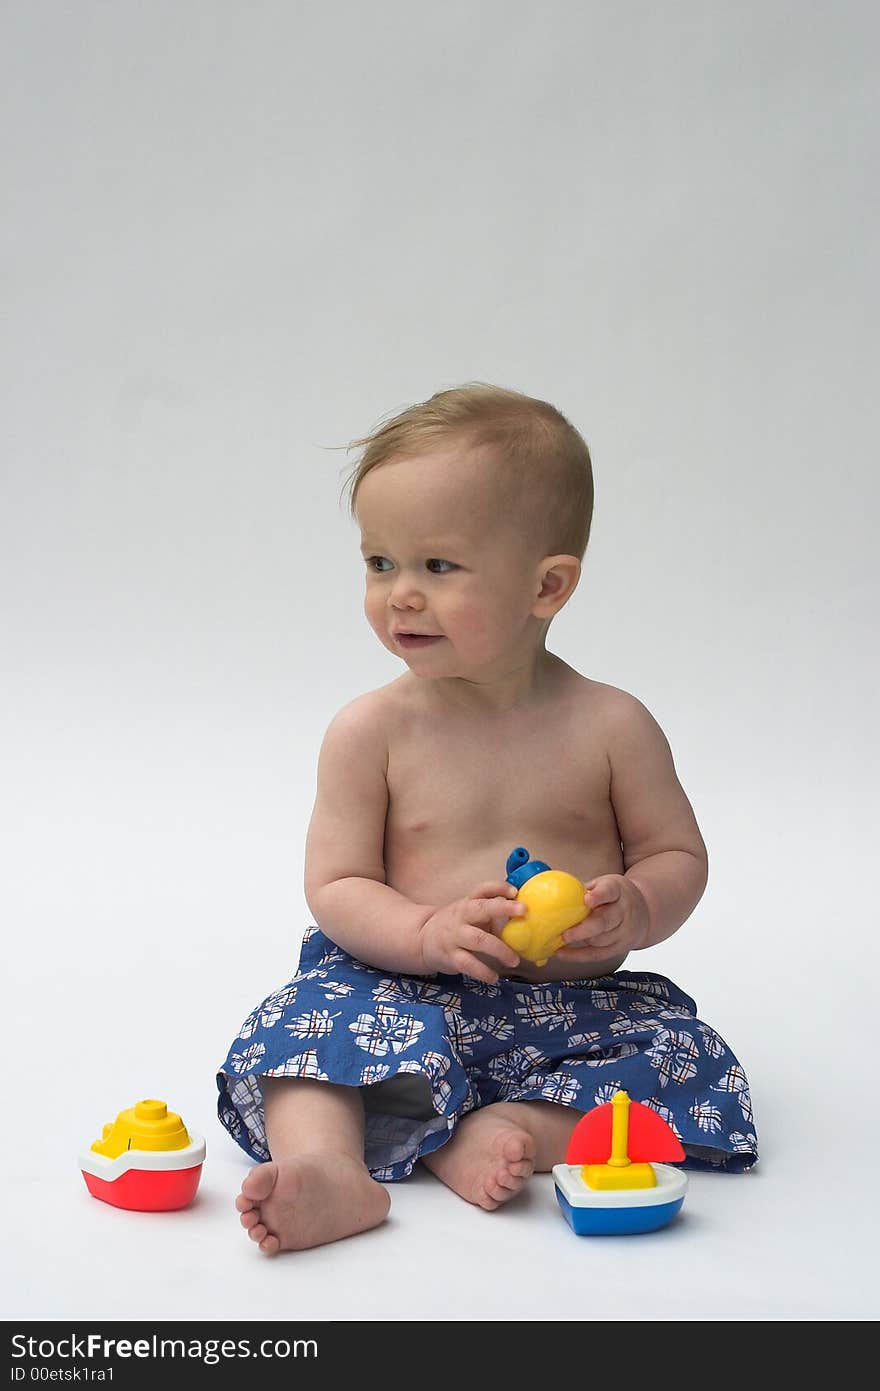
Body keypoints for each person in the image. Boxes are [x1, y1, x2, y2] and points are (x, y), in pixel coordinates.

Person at [217, 382, 758, 1254]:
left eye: (438, 566)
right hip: (398, 993)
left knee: (685, 1057)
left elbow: (675, 851)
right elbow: (337, 883)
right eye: (379, 563)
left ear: (547, 586)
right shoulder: (372, 731)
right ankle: (330, 1168)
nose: (399, 595)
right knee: (296, 1034)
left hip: (575, 1007)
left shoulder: (611, 724)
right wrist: (426, 931)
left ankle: (513, 1126)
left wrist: (641, 905)